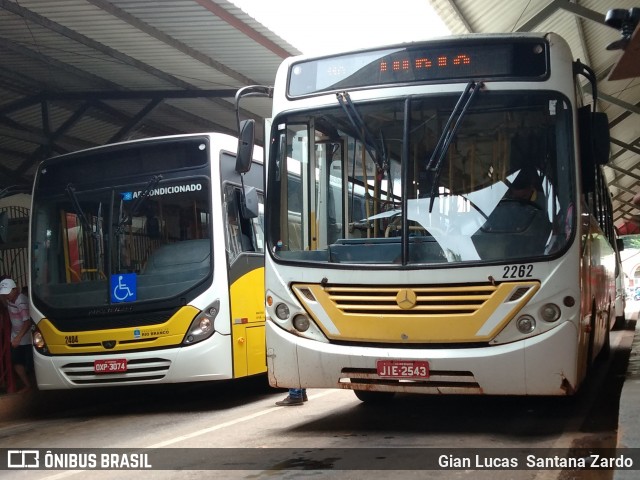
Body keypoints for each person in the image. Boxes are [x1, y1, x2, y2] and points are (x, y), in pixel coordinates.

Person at [0, 278, 33, 393]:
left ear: (15, 290)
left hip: (27, 339)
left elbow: (27, 322)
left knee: (30, 364)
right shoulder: (8, 300)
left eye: (7, 292)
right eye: (3, 293)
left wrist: (18, 337)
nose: (5, 296)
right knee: (17, 362)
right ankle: (28, 386)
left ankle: (34, 387)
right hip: (16, 338)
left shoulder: (21, 302)